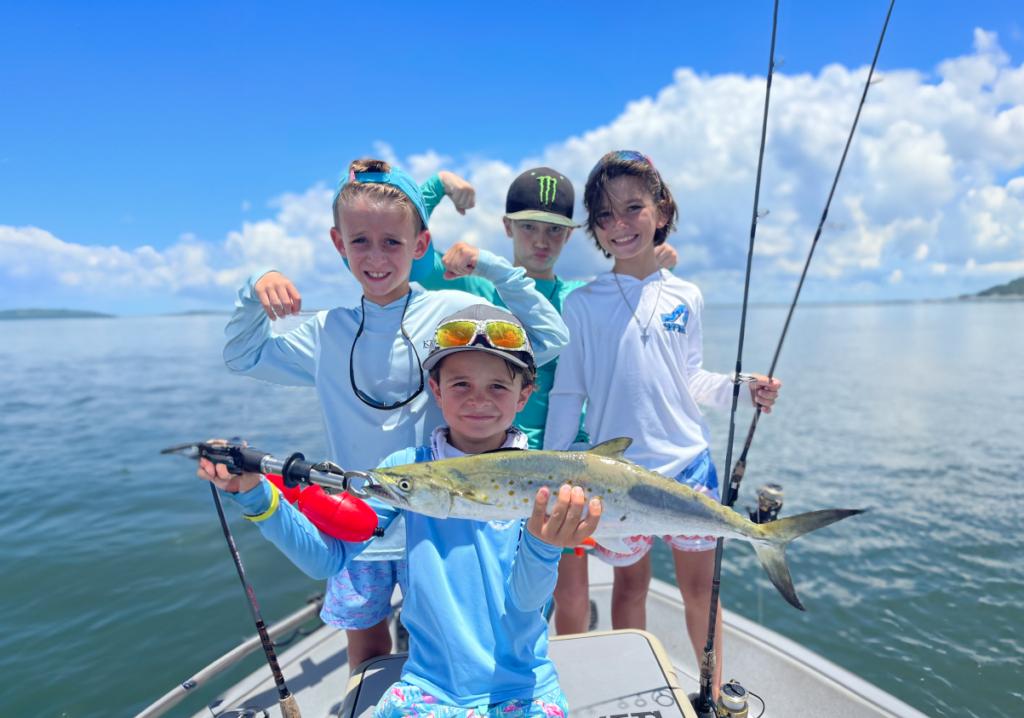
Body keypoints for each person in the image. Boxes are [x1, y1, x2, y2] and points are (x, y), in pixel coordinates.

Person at [223, 158, 568, 670]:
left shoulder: (450, 311)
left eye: (393, 242)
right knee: (366, 646)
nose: (377, 256)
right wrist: (255, 288)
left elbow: (550, 339)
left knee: (455, 634)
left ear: (420, 246)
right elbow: (242, 356)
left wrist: (494, 268)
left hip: (440, 518)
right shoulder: (326, 331)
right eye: (360, 240)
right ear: (339, 244)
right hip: (356, 515)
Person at [200, 305, 602, 718]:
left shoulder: (543, 478)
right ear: (436, 389)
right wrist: (255, 495)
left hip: (522, 688)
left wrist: (543, 546)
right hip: (426, 689)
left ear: (524, 395)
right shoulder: (403, 469)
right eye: (460, 383)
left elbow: (524, 602)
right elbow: (326, 558)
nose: (479, 399)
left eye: (498, 386)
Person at [543, 151, 782, 693]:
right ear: (595, 230)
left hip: (689, 470)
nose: (620, 224)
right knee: (630, 587)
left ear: (662, 208)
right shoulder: (581, 304)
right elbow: (569, 391)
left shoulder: (687, 296)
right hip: (618, 477)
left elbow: (691, 378)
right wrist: (557, 467)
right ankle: (633, 687)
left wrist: (744, 391)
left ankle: (713, 693)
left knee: (703, 592)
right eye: (604, 216)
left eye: (633, 208)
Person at [418, 166, 679, 635]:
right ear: (506, 228)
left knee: (572, 590)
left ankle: (564, 679)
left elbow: (626, 291)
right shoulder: (473, 285)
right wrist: (438, 186)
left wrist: (653, 263)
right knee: (492, 581)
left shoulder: (578, 296)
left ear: (570, 235)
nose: (541, 241)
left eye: (555, 231)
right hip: (489, 460)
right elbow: (411, 258)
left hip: (562, 464)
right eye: (529, 227)